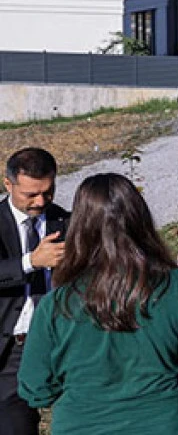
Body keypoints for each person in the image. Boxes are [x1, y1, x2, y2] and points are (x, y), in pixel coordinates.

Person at [19, 173, 178, 435]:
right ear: (141, 220)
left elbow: (35, 389)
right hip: (167, 422)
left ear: (79, 228)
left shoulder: (56, 305)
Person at [0, 148, 68, 434]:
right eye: (31, 194)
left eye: (48, 192)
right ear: (8, 184)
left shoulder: (66, 222)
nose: (40, 202)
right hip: (10, 351)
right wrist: (31, 262)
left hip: (62, 344)